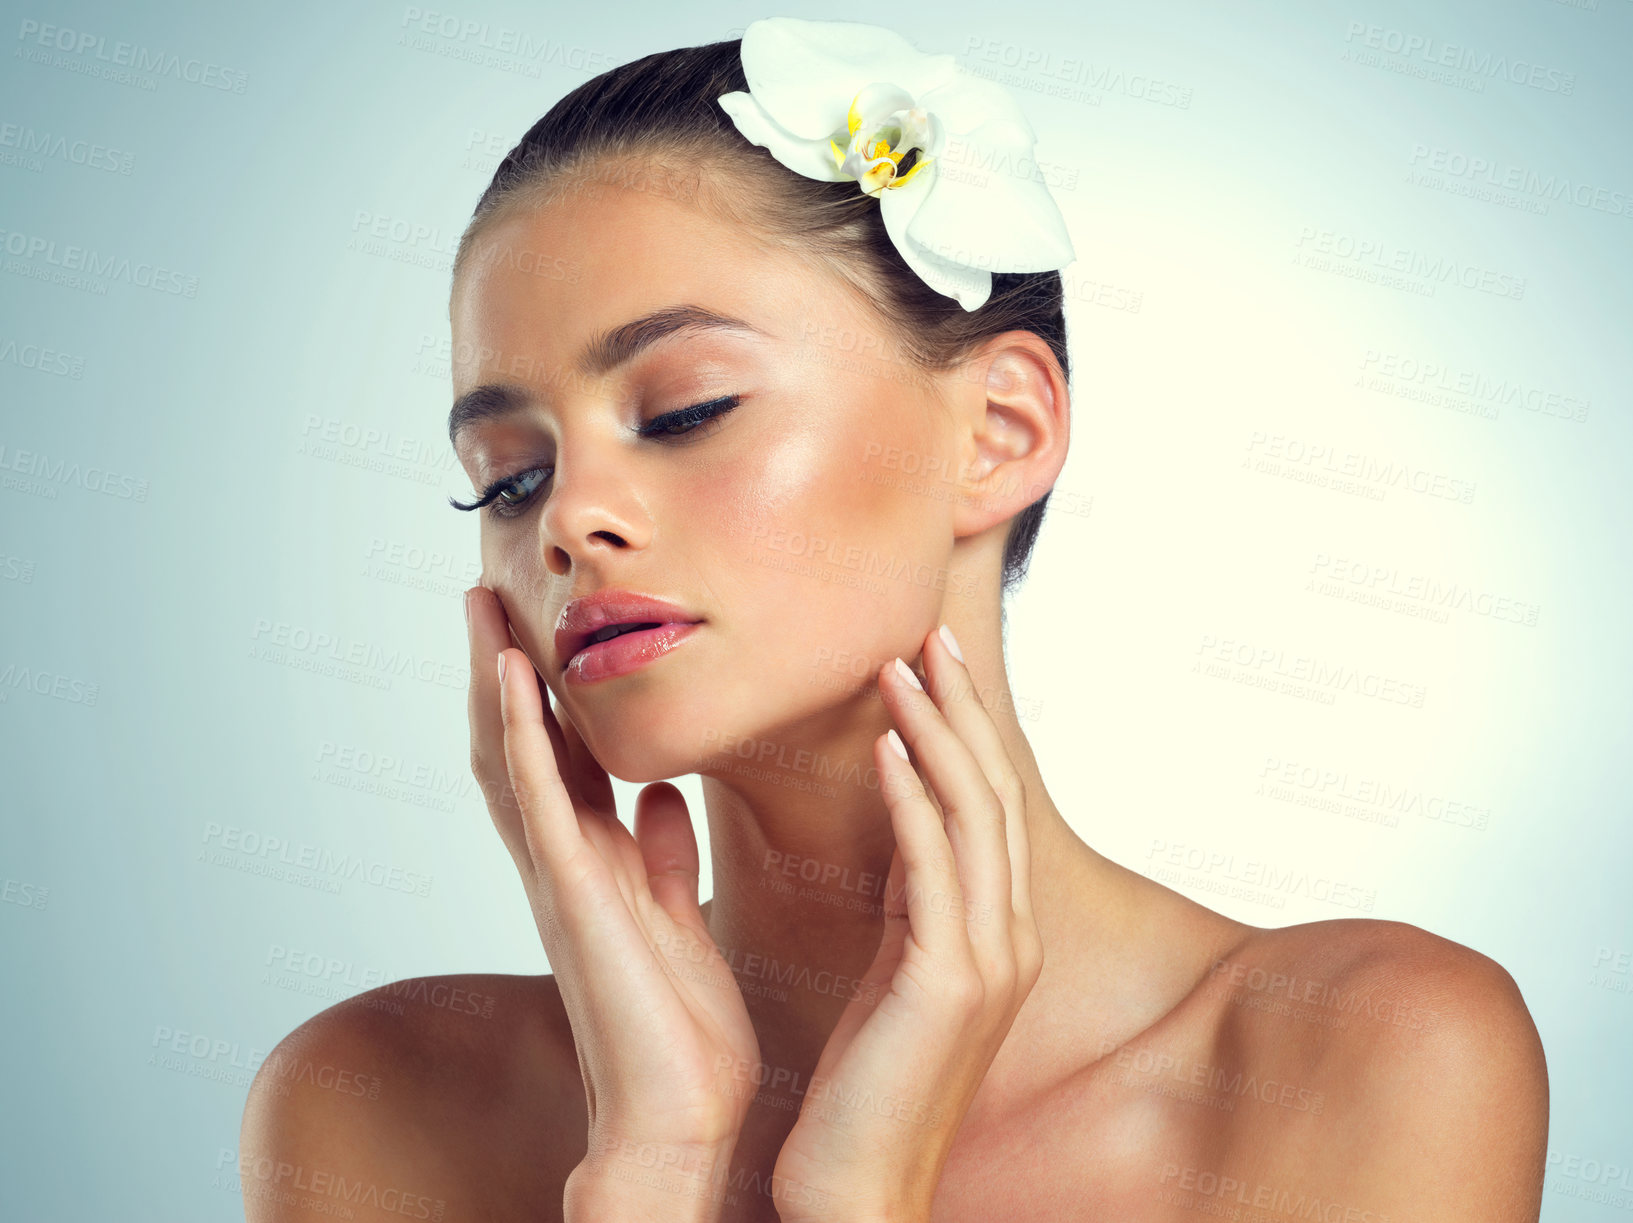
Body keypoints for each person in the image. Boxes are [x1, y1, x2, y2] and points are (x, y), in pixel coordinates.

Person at [241, 19, 1548, 1222]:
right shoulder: (382, 1104)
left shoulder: (1364, 1058)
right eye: (509, 477)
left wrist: (859, 1194)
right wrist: (653, 1160)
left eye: (686, 408)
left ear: (998, 433)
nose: (566, 523)